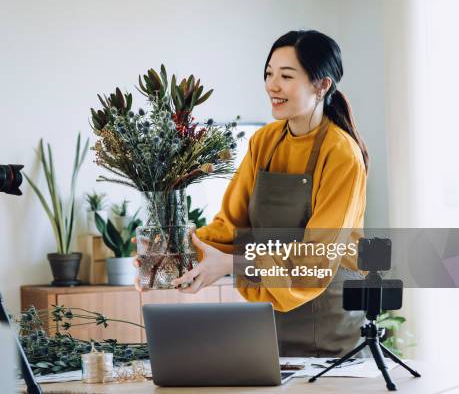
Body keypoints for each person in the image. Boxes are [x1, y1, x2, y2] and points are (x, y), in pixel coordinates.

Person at [135, 30, 368, 357]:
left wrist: (232, 265)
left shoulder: (342, 154)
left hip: (328, 323)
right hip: (271, 318)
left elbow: (317, 259)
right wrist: (174, 252)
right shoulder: (266, 141)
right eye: (269, 74)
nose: (273, 85)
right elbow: (229, 225)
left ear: (322, 85)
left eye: (286, 76)